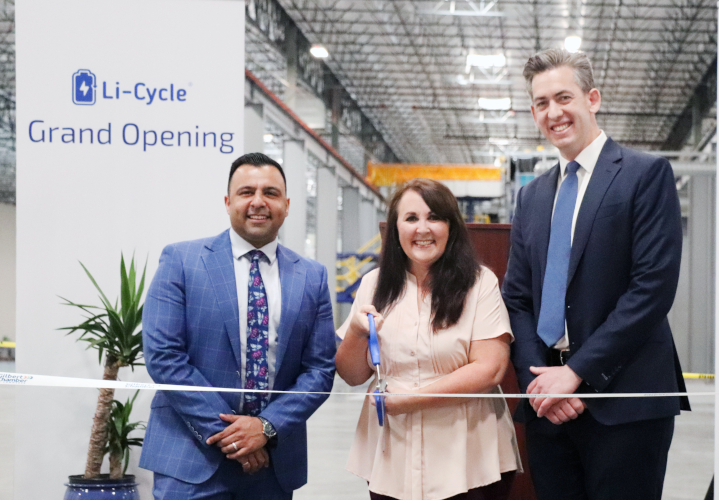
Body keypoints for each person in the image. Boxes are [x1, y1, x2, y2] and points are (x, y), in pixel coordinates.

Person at [501, 48, 690, 500]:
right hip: (549, 405)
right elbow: (518, 298)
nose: (554, 112)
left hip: (625, 403)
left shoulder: (644, 175)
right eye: (542, 103)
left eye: (563, 97)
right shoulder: (532, 198)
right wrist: (537, 382)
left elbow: (652, 289)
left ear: (593, 98)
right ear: (533, 112)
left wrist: (578, 373)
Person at [140, 152, 337, 499]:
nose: (258, 202)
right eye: (247, 192)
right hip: (190, 458)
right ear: (228, 201)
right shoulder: (181, 261)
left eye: (271, 193)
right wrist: (235, 436)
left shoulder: (312, 277)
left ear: (287, 205)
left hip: (272, 465)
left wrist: (265, 428)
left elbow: (319, 371)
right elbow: (164, 357)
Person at [336, 179, 521, 500]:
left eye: (435, 217)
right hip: (391, 450)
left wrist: (410, 400)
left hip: (468, 452)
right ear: (395, 229)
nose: (423, 228)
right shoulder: (373, 285)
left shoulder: (480, 283)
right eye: (411, 218)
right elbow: (352, 375)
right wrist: (354, 330)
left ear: (451, 227)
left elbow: (490, 368)